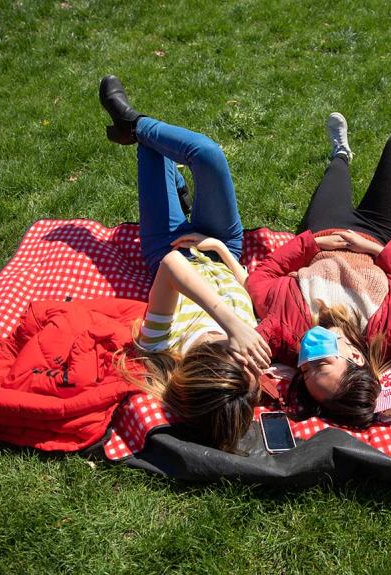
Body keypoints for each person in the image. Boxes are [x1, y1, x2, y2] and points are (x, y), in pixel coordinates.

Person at [99, 75, 271, 453]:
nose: (239, 348)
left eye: (222, 347)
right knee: (209, 155)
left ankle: (135, 129)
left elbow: (174, 265)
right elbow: (256, 294)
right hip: (220, 246)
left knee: (153, 151)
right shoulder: (248, 366)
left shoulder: (161, 345)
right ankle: (135, 126)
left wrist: (229, 323)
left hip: (168, 247)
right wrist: (223, 253)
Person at [248, 114, 391, 428]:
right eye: (321, 363)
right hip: (375, 234)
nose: (306, 359)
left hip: (325, 231)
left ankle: (341, 152)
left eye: (305, 371)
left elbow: (260, 278)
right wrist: (378, 251)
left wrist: (313, 243)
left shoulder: (288, 330)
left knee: (336, 170)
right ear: (356, 358)